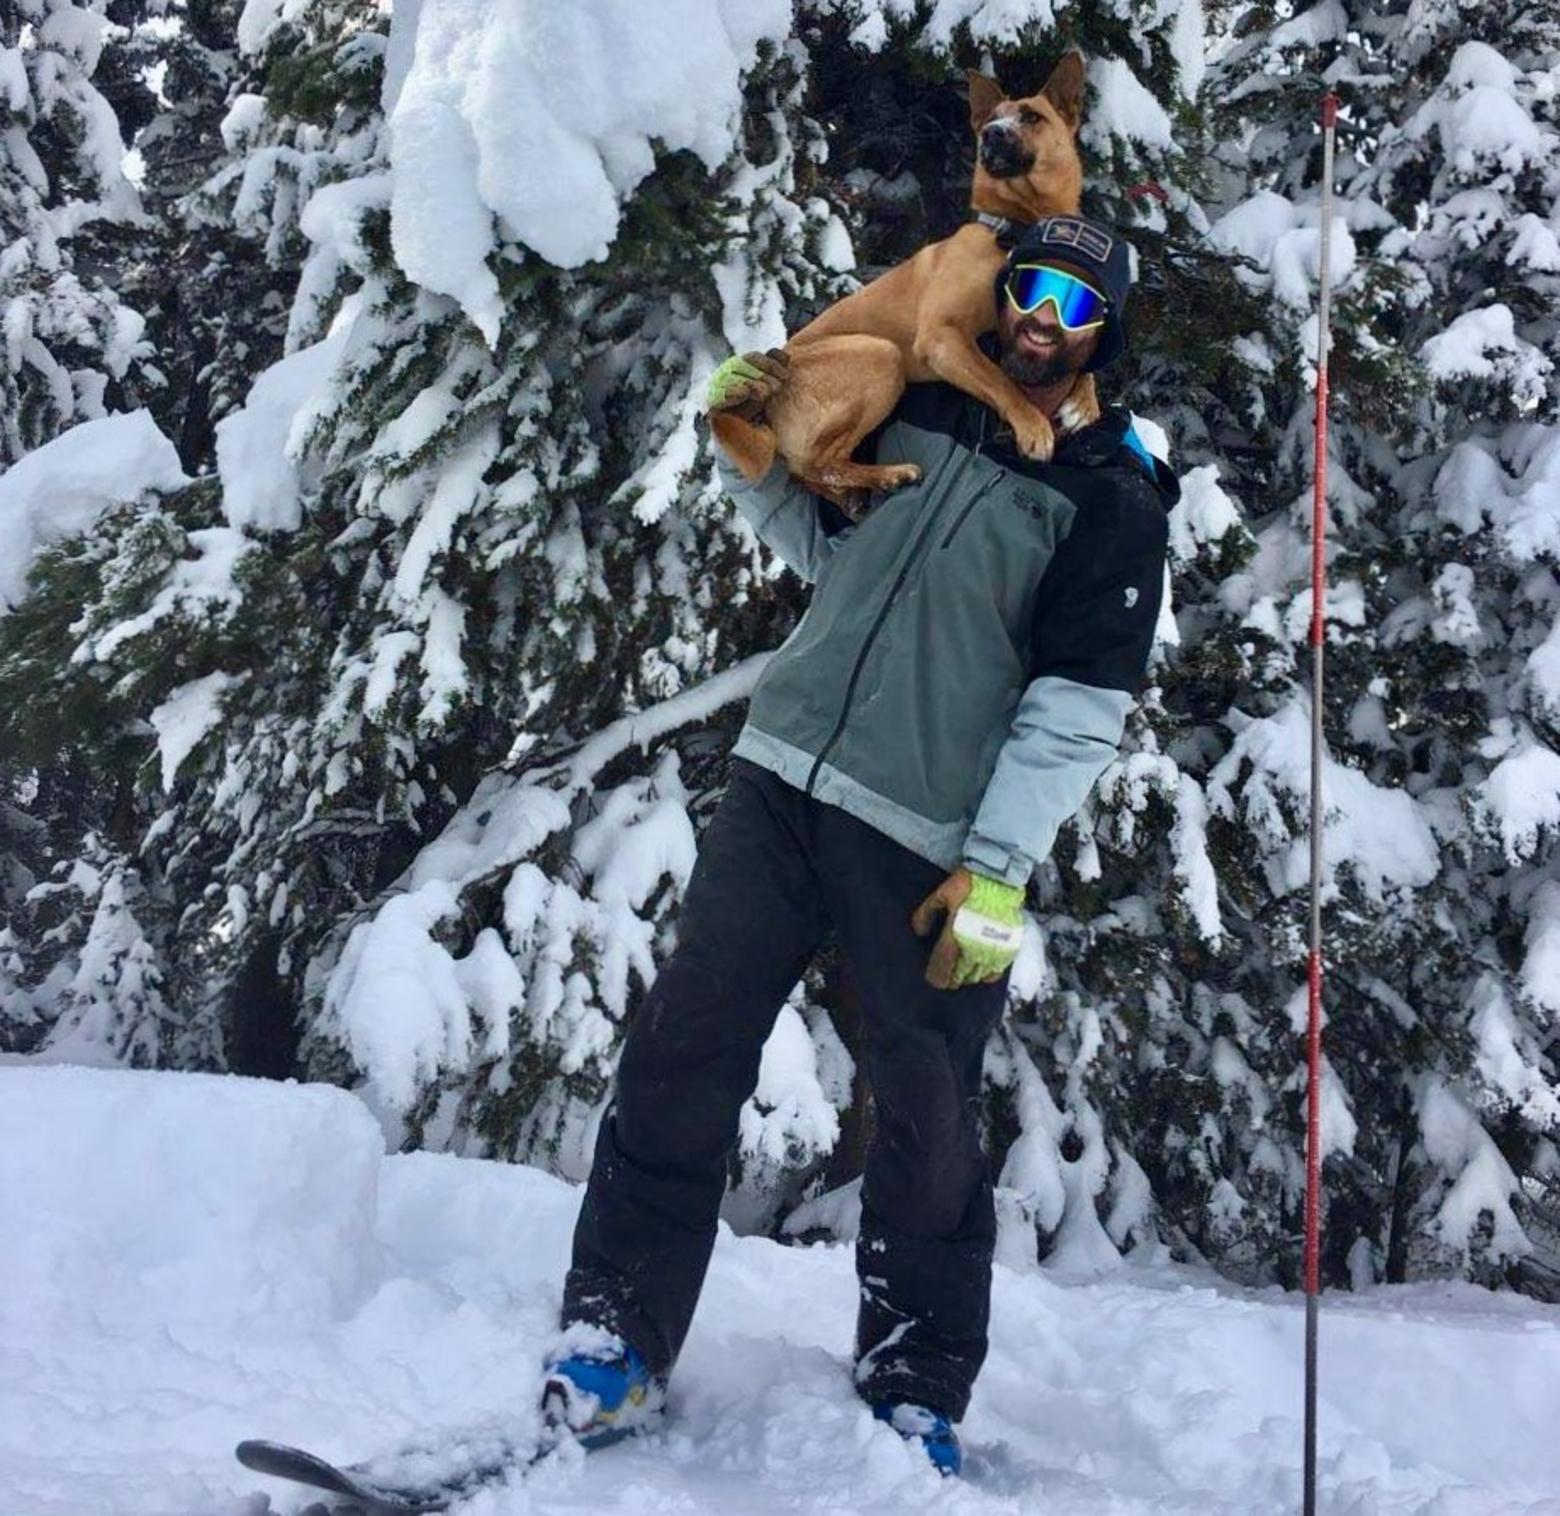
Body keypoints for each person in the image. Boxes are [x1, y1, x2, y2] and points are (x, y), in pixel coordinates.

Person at [539, 214, 1178, 1476]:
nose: (1044, 315)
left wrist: (999, 861)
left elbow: (1077, 708)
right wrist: (758, 460)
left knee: (929, 1118)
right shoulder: (925, 406)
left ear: (1108, 328)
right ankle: (613, 1339)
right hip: (781, 778)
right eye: (1032, 284)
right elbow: (837, 551)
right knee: (682, 1054)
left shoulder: (1111, 495)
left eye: (1076, 302)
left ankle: (916, 1386)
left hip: (931, 844)